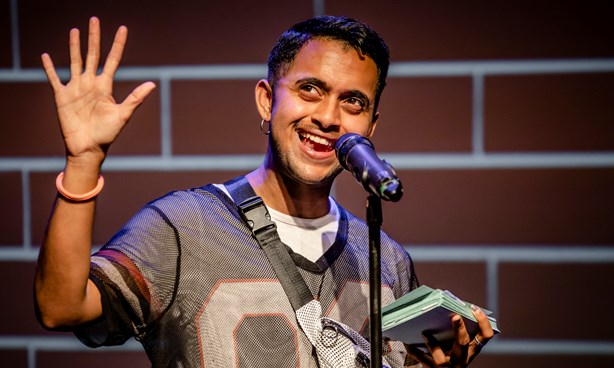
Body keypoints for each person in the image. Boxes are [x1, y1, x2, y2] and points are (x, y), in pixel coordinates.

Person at [34, 15, 494, 367]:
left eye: (353, 101)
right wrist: (83, 161)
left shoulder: (386, 259)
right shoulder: (184, 225)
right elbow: (61, 308)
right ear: (267, 100)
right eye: (310, 89)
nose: (329, 117)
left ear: (371, 125)